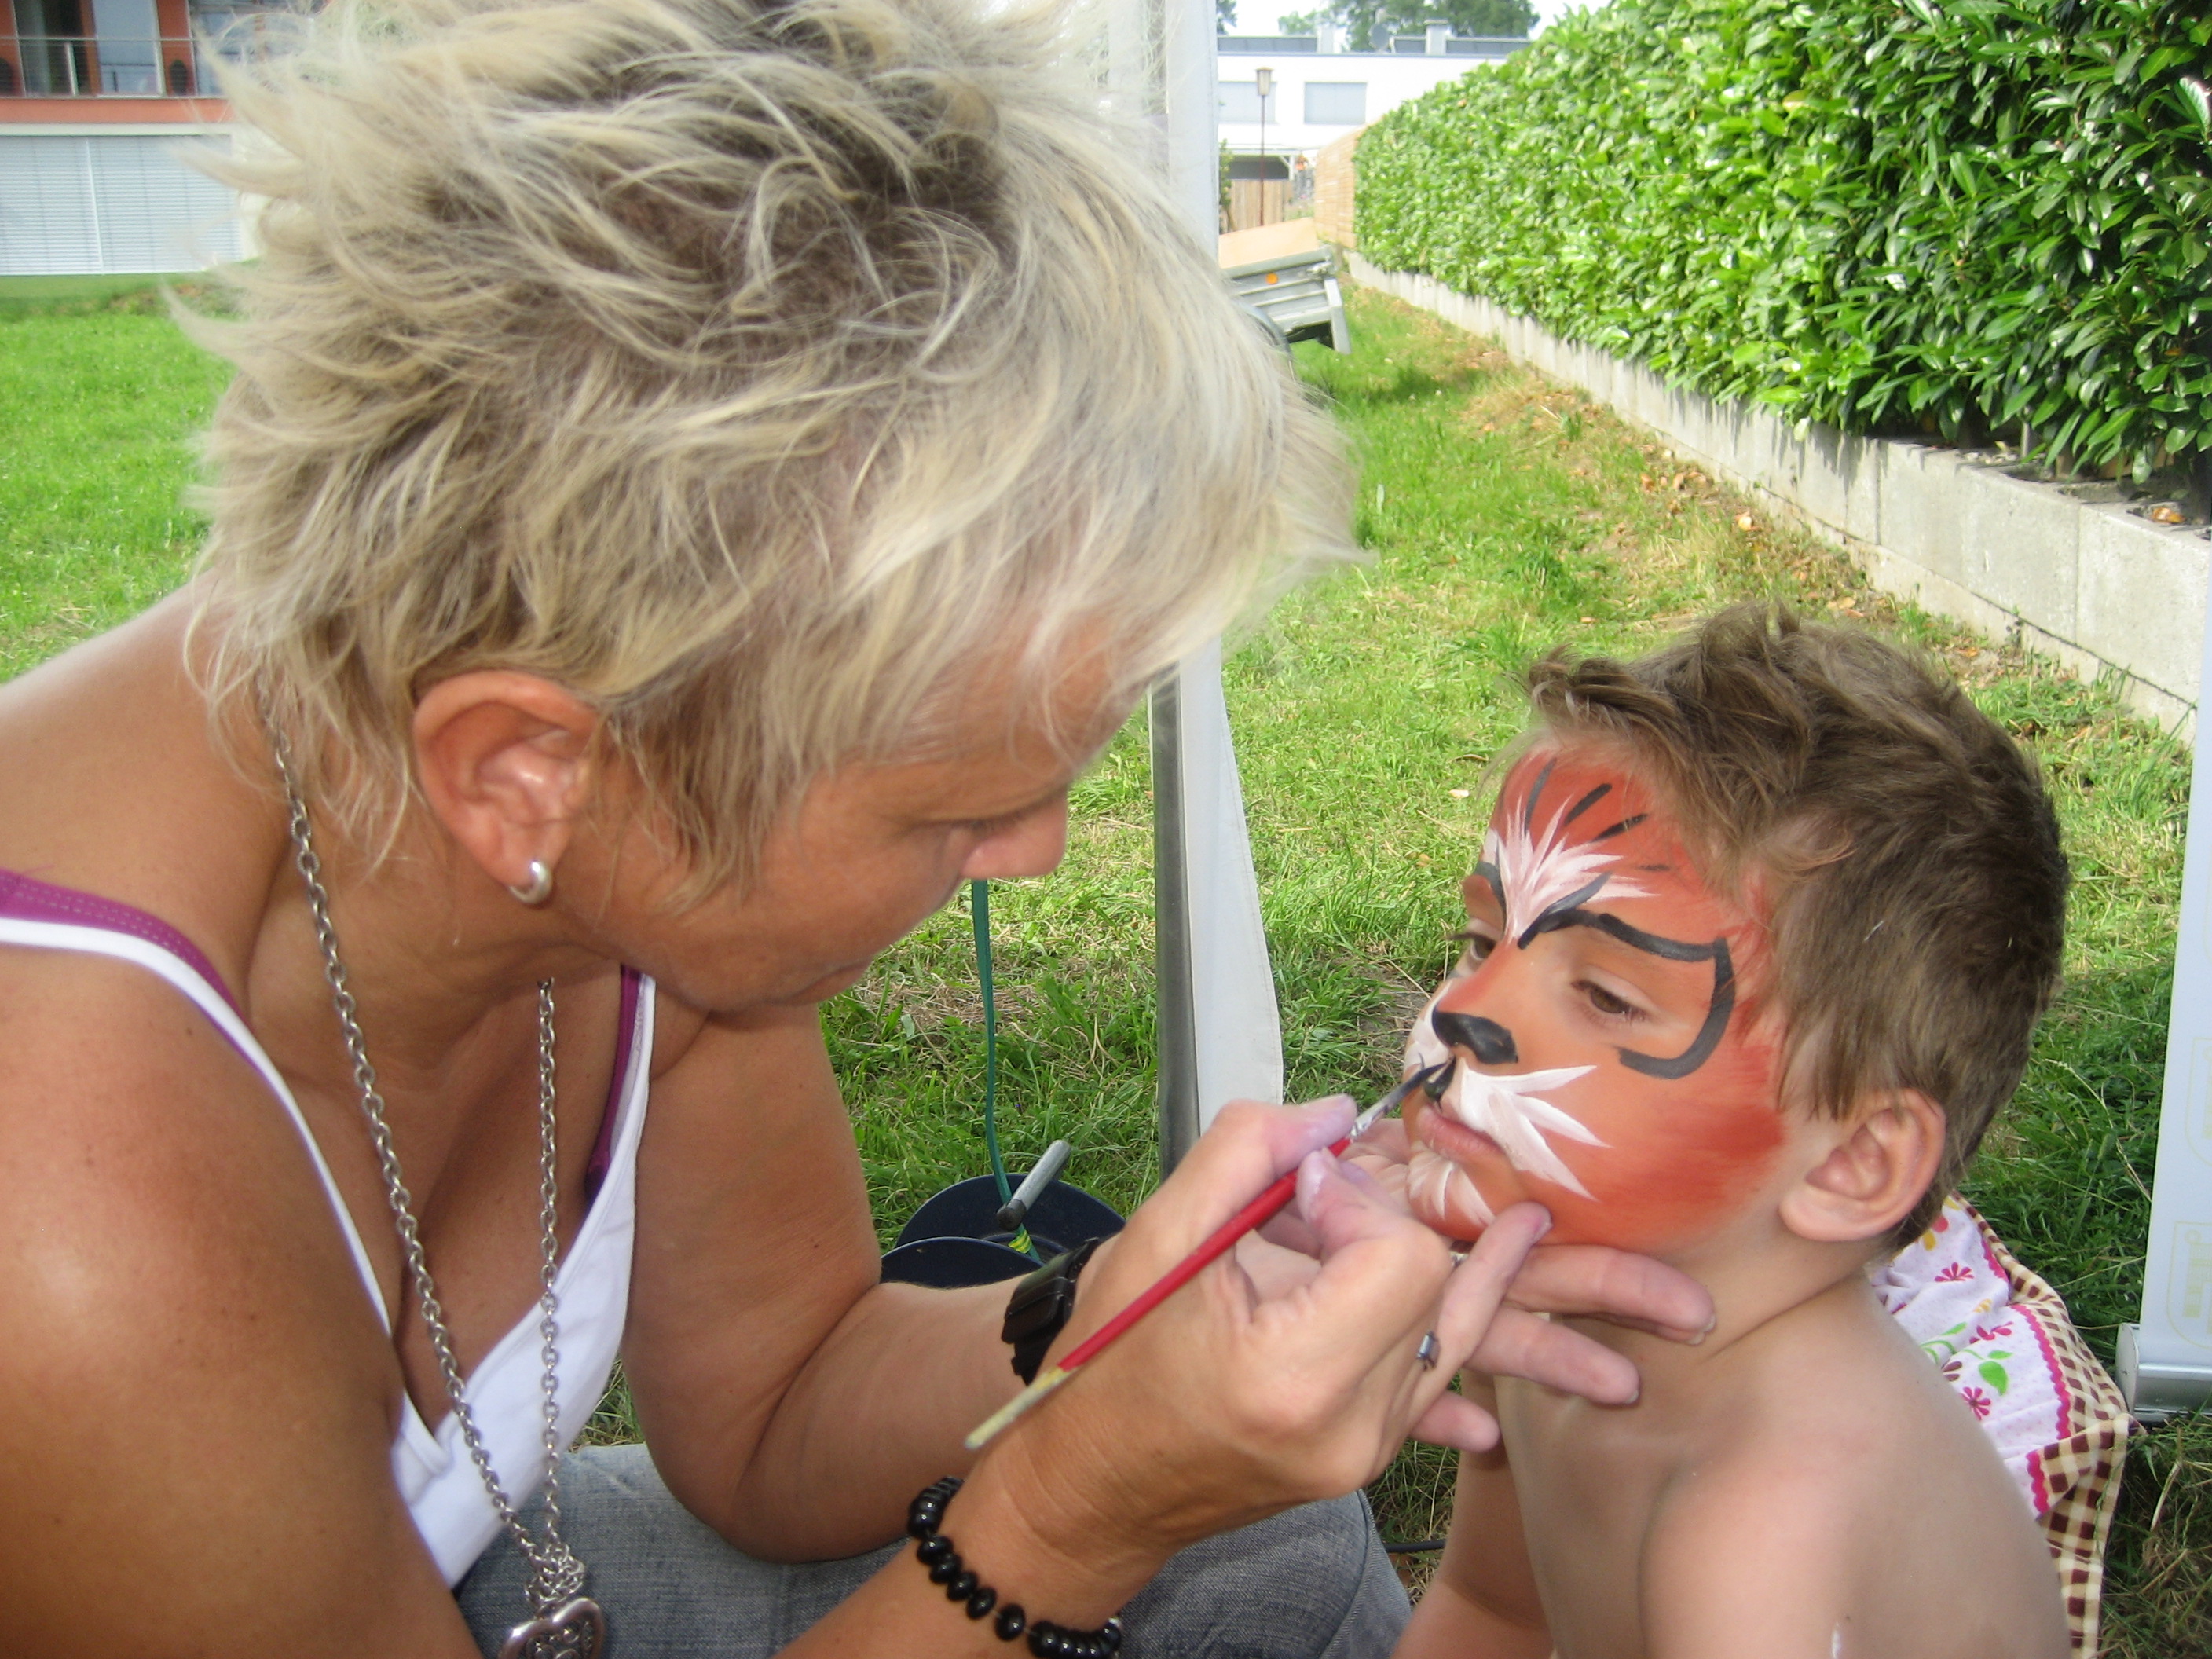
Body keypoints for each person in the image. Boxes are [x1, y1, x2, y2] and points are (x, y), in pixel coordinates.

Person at [0, 2, 1715, 1655]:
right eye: (958, 808)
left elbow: (778, 1406)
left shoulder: (622, 788)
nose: (1037, 852)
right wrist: (1081, 1503)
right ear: (526, 769)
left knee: (1260, 1546)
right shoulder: (65, 1225)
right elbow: (1001, 1502)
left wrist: (1125, 1304)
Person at [1379, 608, 2074, 1659]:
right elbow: (1492, 1610)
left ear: (1853, 1164)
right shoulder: (1531, 1324)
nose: (1466, 1010)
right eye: (1484, 938)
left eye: (1606, 996)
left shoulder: (1766, 1519)